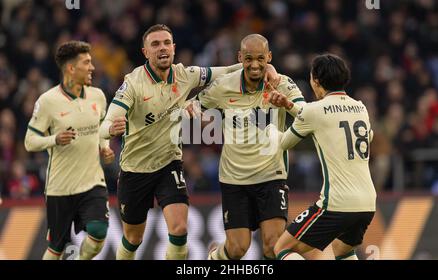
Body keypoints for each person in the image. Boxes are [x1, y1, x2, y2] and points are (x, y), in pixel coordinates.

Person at [98, 24, 278, 260]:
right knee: (133, 239)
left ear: (173, 48)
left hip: (169, 164)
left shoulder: (185, 74)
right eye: (155, 44)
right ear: (145, 52)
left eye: (166, 43)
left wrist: (268, 66)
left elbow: (227, 70)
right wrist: (108, 132)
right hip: (135, 170)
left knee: (180, 229)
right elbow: (107, 120)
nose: (162, 48)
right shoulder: (133, 84)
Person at [197, 34, 305, 260]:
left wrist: (286, 104)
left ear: (269, 57)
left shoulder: (282, 84)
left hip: (271, 175)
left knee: (273, 246)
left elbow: (306, 114)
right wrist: (194, 113)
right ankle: (214, 258)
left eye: (260, 58)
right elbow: (197, 104)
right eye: (248, 58)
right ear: (239, 57)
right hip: (234, 179)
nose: (254, 65)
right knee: (237, 249)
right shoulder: (224, 86)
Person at [269, 53, 376, 260]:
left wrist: (268, 126)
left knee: (283, 248)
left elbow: (284, 143)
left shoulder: (314, 110)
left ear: (316, 81)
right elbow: (358, 132)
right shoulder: (360, 107)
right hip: (367, 202)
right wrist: (290, 106)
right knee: (343, 250)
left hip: (336, 203)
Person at [24, 41, 114, 260]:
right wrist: (55, 139)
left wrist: (105, 147)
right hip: (60, 188)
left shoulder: (98, 96)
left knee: (99, 232)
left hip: (92, 182)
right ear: (71, 69)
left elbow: (101, 129)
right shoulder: (48, 101)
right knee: (57, 248)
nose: (92, 67)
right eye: (87, 63)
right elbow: (29, 141)